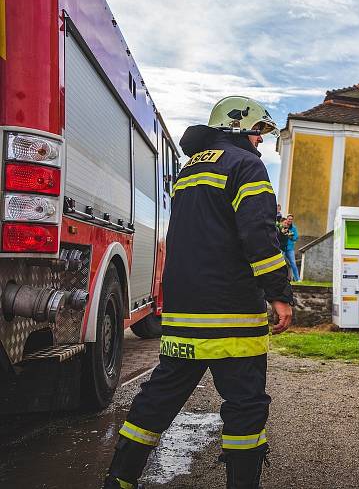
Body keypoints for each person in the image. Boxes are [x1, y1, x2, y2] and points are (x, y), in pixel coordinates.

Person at [103, 96, 294, 489]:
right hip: (231, 310)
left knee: (161, 396)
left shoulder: (190, 168)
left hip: (184, 308)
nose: (260, 143)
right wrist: (279, 294)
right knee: (245, 405)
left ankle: (118, 480)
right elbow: (259, 236)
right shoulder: (245, 165)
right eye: (257, 133)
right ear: (238, 127)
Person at [282, 214, 300, 281]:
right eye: (289, 219)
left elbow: (296, 237)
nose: (290, 220)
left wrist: (291, 237)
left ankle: (297, 279)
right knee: (281, 264)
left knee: (293, 263)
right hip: (282, 248)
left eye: (291, 219)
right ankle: (282, 278)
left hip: (290, 248)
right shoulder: (283, 226)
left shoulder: (294, 228)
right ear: (287, 219)